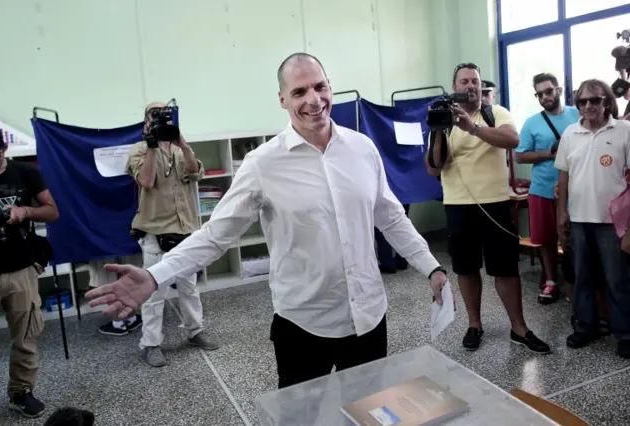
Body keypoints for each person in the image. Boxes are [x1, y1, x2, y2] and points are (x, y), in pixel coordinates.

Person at [86, 52, 449, 389]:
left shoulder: (362, 149)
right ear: (282, 99)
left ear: (330, 88)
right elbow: (216, 235)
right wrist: (155, 275)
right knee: (300, 418)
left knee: (365, 411)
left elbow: (390, 217)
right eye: (299, 91)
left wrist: (430, 266)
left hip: (369, 319)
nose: (313, 99)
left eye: (320, 86)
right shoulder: (263, 163)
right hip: (304, 325)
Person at [425, 62, 550, 354]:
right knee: (466, 269)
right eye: (464, 82)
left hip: (495, 205)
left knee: (505, 268)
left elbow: (513, 140)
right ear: (454, 88)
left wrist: (474, 128)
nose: (471, 86)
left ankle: (519, 328)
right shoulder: (443, 121)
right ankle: (474, 324)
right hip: (457, 206)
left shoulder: (497, 113)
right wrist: (441, 132)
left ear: (482, 87)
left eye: (475, 82)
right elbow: (433, 169)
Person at [124, 102, 219, 367]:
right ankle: (151, 344)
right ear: (146, 121)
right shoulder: (139, 150)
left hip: (186, 230)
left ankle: (195, 331)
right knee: (154, 291)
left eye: (164, 114)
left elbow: (195, 171)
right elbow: (146, 180)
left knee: (189, 287)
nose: (160, 118)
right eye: (155, 114)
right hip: (156, 234)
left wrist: (183, 143)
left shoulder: (179, 148)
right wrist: (153, 146)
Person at [555, 78, 630, 358]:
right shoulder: (571, 134)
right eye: (583, 101)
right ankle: (585, 327)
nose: (588, 106)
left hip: (614, 223)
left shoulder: (624, 130)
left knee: (618, 279)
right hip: (579, 219)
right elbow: (563, 175)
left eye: (595, 100)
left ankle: (625, 333)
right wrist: (562, 210)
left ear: (607, 101)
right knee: (582, 277)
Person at [0, 126, 59, 418]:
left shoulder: (25, 173)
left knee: (26, 335)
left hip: (21, 269)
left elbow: (52, 211)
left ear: (3, 150)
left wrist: (25, 212)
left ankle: (21, 392)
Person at [514, 73, 580, 304]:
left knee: (575, 239)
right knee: (546, 239)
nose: (545, 97)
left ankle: (578, 283)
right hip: (541, 190)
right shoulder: (532, 122)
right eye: (539, 94)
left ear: (559, 90)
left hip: (576, 190)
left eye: (548, 91)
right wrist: (550, 153)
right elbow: (520, 156)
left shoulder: (576, 114)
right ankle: (551, 282)